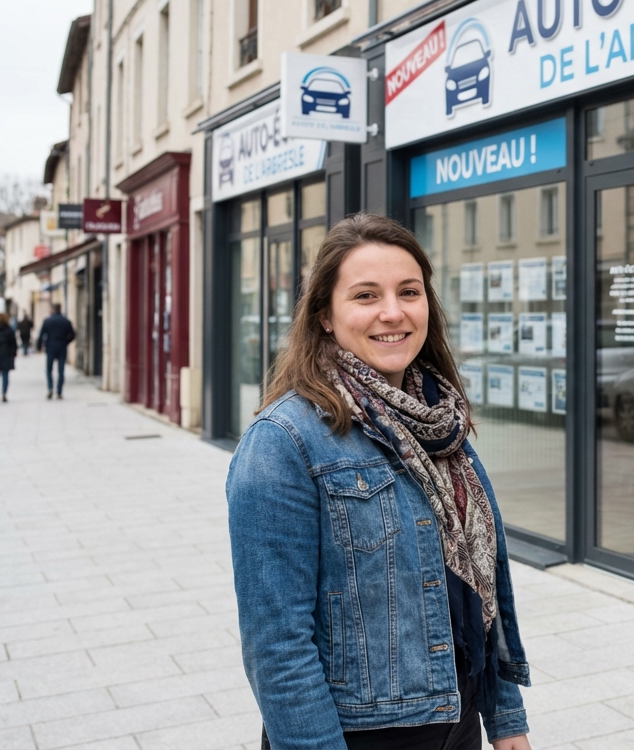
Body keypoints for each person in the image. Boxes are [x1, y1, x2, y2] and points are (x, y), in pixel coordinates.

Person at [227, 214, 532, 750]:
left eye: (408, 292)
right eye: (366, 295)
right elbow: (278, 645)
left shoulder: (439, 422)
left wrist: (506, 720)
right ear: (324, 314)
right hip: (360, 735)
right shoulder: (284, 441)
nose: (393, 312)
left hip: (456, 722)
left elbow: (478, 593)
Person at [37, 304, 75, 400]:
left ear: (53, 309)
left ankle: (50, 388)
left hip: (50, 347)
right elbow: (73, 334)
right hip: (62, 348)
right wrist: (66, 342)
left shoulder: (48, 321)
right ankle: (59, 391)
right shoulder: (66, 321)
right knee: (61, 371)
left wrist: (39, 346)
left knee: (49, 370)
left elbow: (41, 335)